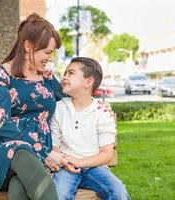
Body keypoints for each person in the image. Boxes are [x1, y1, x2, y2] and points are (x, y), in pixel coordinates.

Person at [0, 13, 64, 200]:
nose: (50, 58)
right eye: (47, 52)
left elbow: (69, 101)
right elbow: (1, 122)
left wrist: (99, 108)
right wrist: (43, 151)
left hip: (35, 160)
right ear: (28, 46)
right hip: (1, 152)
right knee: (21, 152)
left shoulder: (46, 77)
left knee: (20, 187)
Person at [50, 57, 131, 200]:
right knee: (60, 193)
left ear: (88, 82)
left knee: (118, 190)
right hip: (65, 167)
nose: (64, 77)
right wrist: (63, 160)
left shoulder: (102, 113)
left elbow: (107, 154)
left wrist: (79, 162)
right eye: (65, 73)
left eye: (71, 73)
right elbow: (54, 144)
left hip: (95, 168)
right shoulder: (59, 108)